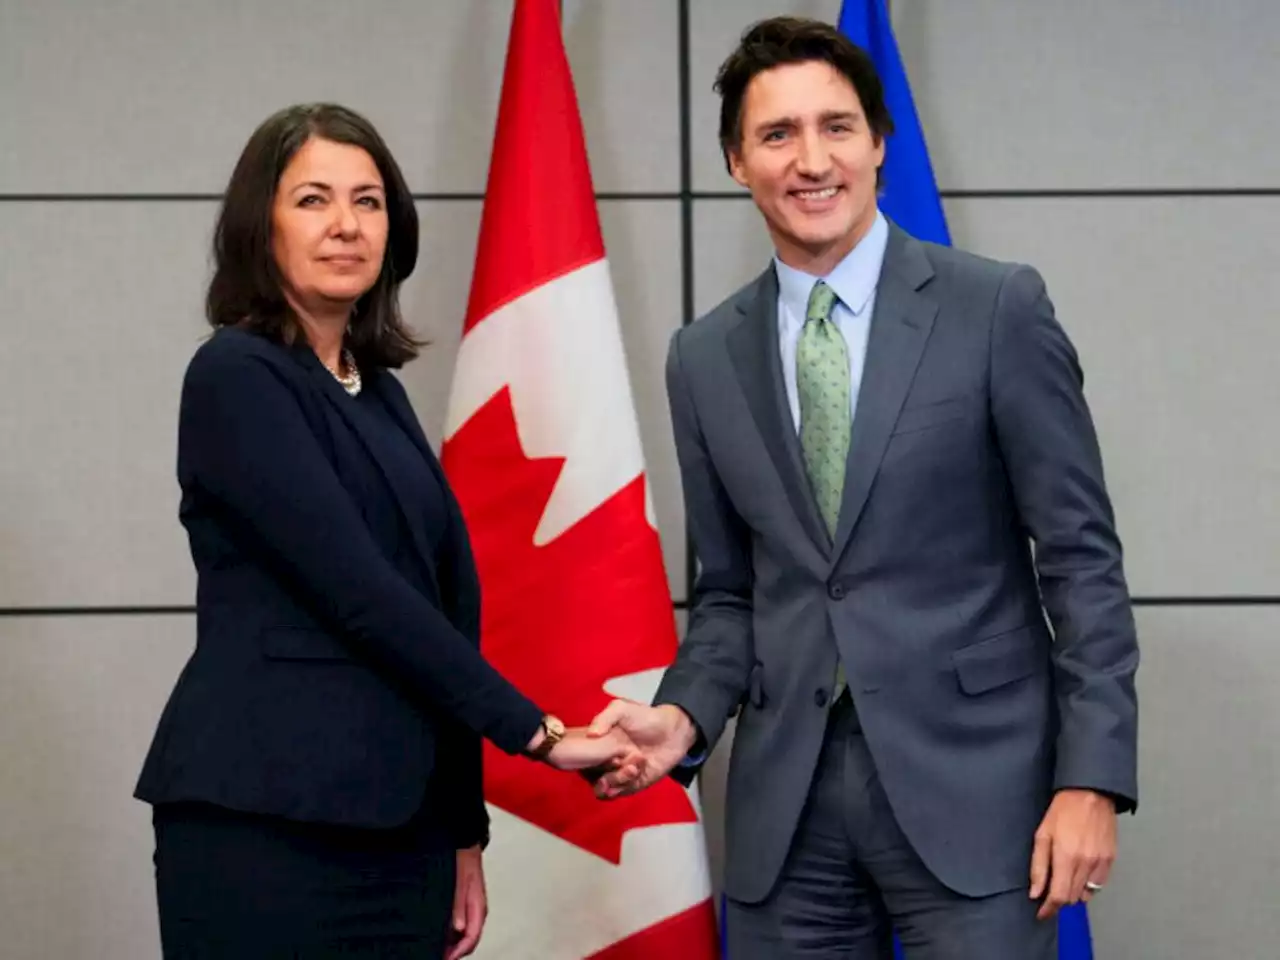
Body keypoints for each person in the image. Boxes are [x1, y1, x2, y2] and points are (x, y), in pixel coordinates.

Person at [588, 17, 1139, 959]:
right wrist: (680, 716)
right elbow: (732, 594)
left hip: (979, 799)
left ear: (879, 143)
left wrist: (1091, 779)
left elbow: (1081, 559)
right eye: (777, 135)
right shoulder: (703, 356)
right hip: (787, 814)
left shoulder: (997, 309)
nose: (812, 160)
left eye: (837, 127)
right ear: (734, 161)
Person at [134, 103, 640, 960]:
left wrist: (463, 831)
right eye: (314, 200)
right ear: (262, 225)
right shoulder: (236, 376)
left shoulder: (380, 392)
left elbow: (442, 610)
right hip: (266, 823)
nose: (345, 226)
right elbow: (362, 595)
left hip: (402, 836)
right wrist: (541, 734)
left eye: (368, 202)